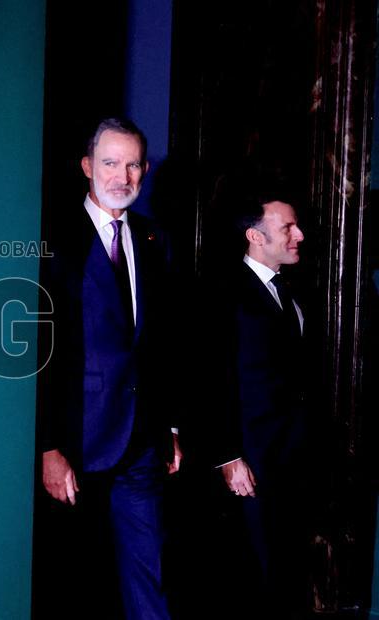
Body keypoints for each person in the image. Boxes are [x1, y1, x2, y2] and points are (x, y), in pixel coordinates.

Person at [35, 118, 181, 620]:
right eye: (111, 163)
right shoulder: (52, 238)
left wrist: (169, 428)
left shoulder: (154, 238)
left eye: (133, 165)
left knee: (149, 573)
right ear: (86, 166)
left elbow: (162, 345)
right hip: (78, 441)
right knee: (78, 577)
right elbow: (39, 351)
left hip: (141, 442)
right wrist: (48, 447)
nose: (123, 177)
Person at [204, 183, 315, 617]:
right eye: (287, 227)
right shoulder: (224, 291)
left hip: (293, 457)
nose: (299, 234)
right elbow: (211, 379)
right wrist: (228, 455)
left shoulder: (294, 288)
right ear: (255, 236)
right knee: (254, 573)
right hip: (251, 459)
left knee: (287, 568)